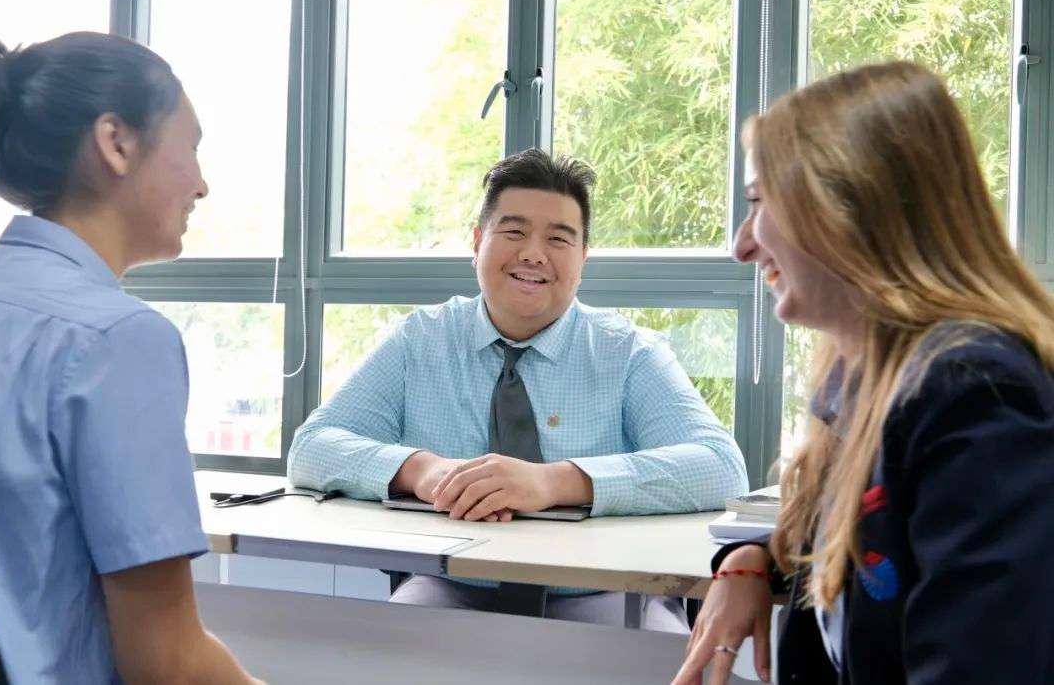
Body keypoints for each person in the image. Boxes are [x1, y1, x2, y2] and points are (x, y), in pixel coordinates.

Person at [673, 61, 1054, 685]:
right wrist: (752, 559)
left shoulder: (977, 389)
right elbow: (869, 539)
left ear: (849, 209)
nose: (741, 245)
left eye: (760, 202)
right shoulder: (864, 375)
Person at [289, 148, 748, 630]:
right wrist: (422, 470)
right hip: (451, 586)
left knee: (658, 653)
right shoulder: (419, 341)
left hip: (603, 592)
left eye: (558, 238)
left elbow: (722, 468)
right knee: (389, 645)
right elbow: (311, 448)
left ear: (583, 259)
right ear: (477, 242)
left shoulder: (628, 353)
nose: (533, 253)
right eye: (513, 232)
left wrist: (554, 483)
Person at [0, 33, 261, 683]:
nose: (202, 185)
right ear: (116, 142)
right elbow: (168, 664)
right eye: (191, 148)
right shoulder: (114, 340)